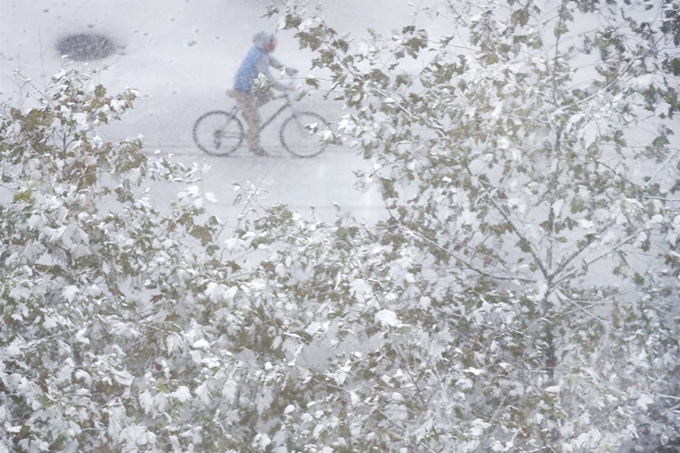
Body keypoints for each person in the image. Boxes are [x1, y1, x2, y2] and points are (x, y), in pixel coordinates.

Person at [230, 31, 297, 156]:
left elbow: (272, 61)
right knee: (255, 120)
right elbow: (267, 78)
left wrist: (286, 69)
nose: (274, 47)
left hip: (249, 84)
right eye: (272, 44)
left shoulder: (260, 51)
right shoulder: (259, 57)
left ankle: (248, 112)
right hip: (244, 88)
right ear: (266, 44)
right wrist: (284, 87)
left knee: (267, 94)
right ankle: (254, 146)